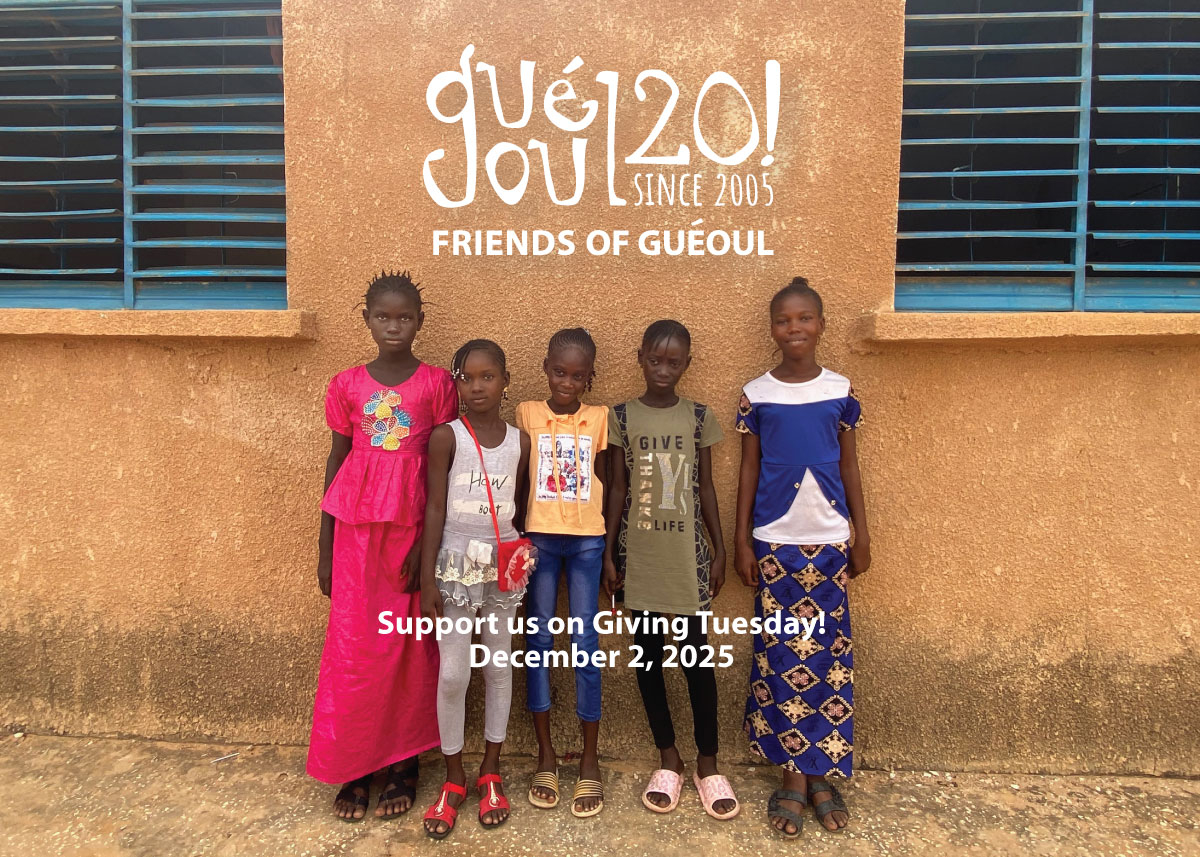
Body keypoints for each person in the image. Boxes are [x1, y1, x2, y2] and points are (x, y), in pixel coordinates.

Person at [308, 270, 457, 821]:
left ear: (420, 322)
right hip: (355, 538)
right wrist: (325, 548)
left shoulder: (437, 384)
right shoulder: (346, 384)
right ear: (366, 319)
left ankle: (403, 763)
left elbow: (445, 468)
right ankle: (355, 764)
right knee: (354, 649)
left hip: (413, 536)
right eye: (383, 317)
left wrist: (429, 554)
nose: (394, 326)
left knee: (409, 648)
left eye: (405, 317)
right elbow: (337, 460)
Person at [734, 276, 871, 838]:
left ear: (821, 325)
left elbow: (849, 465)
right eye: (784, 320)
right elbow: (748, 468)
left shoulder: (840, 389)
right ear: (772, 329)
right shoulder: (757, 393)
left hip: (829, 543)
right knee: (782, 658)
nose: (794, 328)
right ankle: (793, 773)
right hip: (775, 543)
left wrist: (861, 532)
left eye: (804, 318)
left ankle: (820, 773)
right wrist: (743, 539)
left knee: (827, 661)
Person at [602, 320, 740, 820]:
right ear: (640, 357)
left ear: (687, 364)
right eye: (655, 360)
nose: (663, 369)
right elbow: (617, 488)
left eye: (674, 362)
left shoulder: (699, 417)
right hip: (639, 559)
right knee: (648, 660)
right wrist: (607, 554)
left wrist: (719, 550)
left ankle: (708, 763)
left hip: (686, 560)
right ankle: (668, 758)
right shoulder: (620, 417)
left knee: (696, 661)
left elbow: (705, 487)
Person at [418, 339, 531, 839]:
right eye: (467, 377)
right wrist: (427, 579)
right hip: (455, 567)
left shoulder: (520, 442)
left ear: (506, 381)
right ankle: (453, 776)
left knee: (499, 667)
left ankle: (491, 770)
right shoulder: (447, 437)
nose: (477, 386)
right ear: (456, 383)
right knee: (453, 674)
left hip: (503, 568)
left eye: (488, 376)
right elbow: (434, 508)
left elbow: (519, 508)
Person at [515, 328, 609, 818]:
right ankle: (546, 756)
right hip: (540, 541)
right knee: (539, 641)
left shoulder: (601, 418)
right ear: (545, 369)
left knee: (586, 642)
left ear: (589, 377)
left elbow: (611, 482)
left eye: (577, 375)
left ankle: (589, 759)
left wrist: (611, 550)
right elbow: (519, 479)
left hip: (588, 541)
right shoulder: (527, 413)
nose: (567, 382)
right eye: (559, 372)